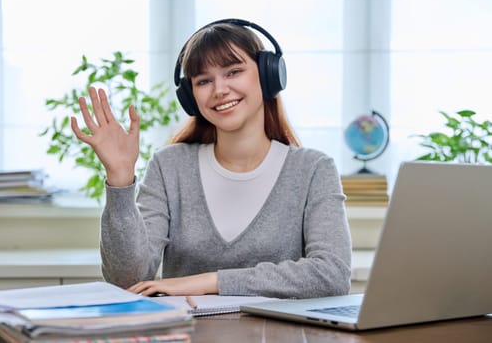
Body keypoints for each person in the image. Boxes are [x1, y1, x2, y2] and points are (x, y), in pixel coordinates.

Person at [71, 19, 352, 299]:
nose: (219, 90)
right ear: (190, 96)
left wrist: (211, 282)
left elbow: (332, 274)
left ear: (269, 75)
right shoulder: (170, 167)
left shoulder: (313, 170)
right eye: (203, 80)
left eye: (234, 72)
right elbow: (127, 281)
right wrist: (120, 180)